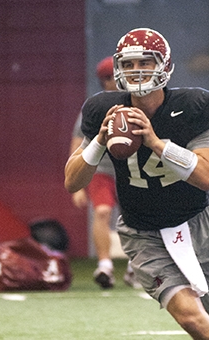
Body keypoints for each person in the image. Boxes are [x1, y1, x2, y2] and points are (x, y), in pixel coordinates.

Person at [65, 28, 209, 339]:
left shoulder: (192, 106)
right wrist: (99, 141)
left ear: (165, 66)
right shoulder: (103, 109)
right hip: (143, 231)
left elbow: (206, 177)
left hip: (197, 221)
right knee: (192, 320)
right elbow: (71, 181)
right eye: (128, 65)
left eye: (145, 62)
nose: (136, 71)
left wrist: (157, 143)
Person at [70, 56, 140, 289]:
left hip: (131, 169)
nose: (112, 82)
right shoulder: (94, 107)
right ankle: (105, 265)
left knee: (138, 218)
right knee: (101, 212)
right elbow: (78, 143)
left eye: (115, 76)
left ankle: (136, 267)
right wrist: (78, 183)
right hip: (101, 169)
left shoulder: (138, 102)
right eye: (107, 78)